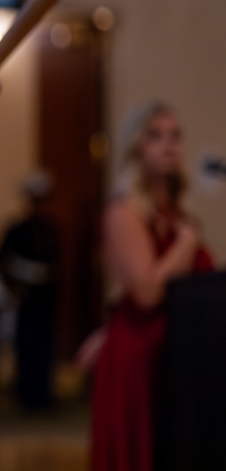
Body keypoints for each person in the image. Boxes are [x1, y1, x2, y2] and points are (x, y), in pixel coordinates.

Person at [89, 100, 214, 471]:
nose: (168, 145)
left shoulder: (175, 213)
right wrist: (185, 245)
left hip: (175, 351)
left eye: (175, 136)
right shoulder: (124, 212)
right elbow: (146, 293)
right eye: (155, 136)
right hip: (138, 356)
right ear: (136, 148)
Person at [0, 170, 60, 410]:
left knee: (44, 348)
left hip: (45, 297)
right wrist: (14, 284)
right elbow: (1, 260)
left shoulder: (51, 229)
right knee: (26, 346)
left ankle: (42, 394)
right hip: (26, 297)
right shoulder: (17, 229)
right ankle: (26, 395)